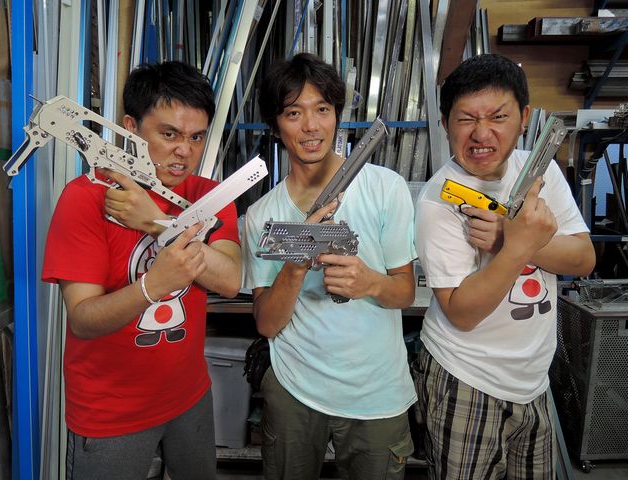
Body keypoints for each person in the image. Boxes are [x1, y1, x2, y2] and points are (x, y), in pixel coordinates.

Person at [42, 61, 242, 479]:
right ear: (130, 128)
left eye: (196, 137)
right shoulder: (84, 199)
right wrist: (152, 287)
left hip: (189, 397)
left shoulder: (209, 196)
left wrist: (158, 224)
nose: (184, 151)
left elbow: (229, 280)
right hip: (110, 413)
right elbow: (83, 320)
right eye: (169, 134)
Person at [413, 53, 596, 479]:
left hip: (533, 380)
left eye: (498, 117)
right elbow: (462, 312)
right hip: (465, 378)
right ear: (445, 124)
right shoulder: (439, 199)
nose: (482, 134)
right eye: (466, 119)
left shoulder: (540, 173)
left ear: (524, 117)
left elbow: (583, 258)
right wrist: (516, 247)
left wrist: (511, 240)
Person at [242, 52, 417, 479]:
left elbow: (405, 291)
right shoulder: (261, 216)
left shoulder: (385, 187)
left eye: (322, 109)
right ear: (276, 125)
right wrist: (295, 267)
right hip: (294, 389)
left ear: (336, 115)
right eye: (293, 113)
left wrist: (370, 282)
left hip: (376, 393)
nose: (311, 126)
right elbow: (267, 323)